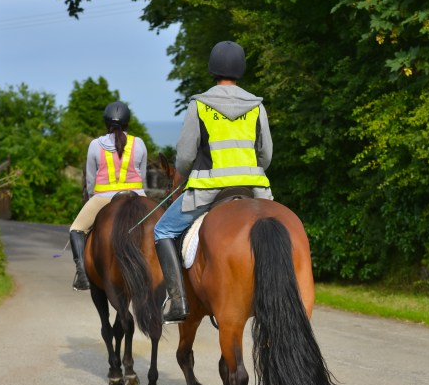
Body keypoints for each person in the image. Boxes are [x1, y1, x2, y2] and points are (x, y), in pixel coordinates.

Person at [154, 40, 274, 323]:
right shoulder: (257, 106)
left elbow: (183, 158)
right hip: (253, 190)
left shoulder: (200, 105)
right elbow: (266, 155)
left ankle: (178, 301)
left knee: (161, 231)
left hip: (209, 190)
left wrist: (187, 172)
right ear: (241, 69)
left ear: (213, 69)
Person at [68, 101, 149, 290]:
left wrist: (91, 198)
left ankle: (82, 274)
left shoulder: (95, 145)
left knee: (76, 229)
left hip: (104, 197)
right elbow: (142, 176)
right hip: (136, 196)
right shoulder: (139, 143)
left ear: (107, 123)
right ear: (128, 122)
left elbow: (90, 180)